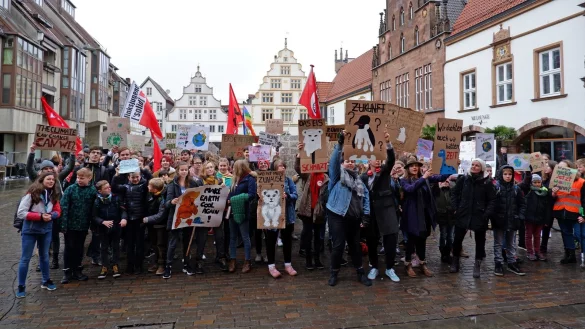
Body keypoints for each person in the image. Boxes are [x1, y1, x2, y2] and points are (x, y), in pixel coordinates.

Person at [327, 131, 372, 287]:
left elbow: (366, 198)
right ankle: (334, 273)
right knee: (338, 245)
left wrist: (366, 216)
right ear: (342, 163)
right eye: (346, 161)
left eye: (352, 161)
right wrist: (340, 143)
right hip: (337, 215)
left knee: (355, 246)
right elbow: (333, 162)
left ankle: (360, 273)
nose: (350, 163)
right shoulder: (336, 177)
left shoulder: (359, 180)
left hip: (354, 217)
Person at [400, 156, 455, 278]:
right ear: (407, 168)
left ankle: (422, 263)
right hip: (411, 216)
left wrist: (451, 166)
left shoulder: (424, 178)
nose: (415, 167)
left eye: (417, 166)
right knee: (411, 241)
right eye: (412, 166)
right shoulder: (404, 180)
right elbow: (410, 189)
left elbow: (441, 177)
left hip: (424, 215)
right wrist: (424, 178)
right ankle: (408, 264)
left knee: (422, 240)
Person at [359, 133, 400, 283]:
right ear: (369, 161)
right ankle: (374, 266)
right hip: (371, 214)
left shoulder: (384, 172)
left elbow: (391, 160)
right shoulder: (363, 177)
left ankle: (389, 268)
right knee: (371, 241)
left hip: (387, 210)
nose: (377, 162)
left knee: (390, 239)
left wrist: (388, 143)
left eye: (379, 158)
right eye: (374, 159)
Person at [15, 172, 62, 298]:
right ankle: (21, 286)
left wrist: (52, 215)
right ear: (41, 180)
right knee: (26, 258)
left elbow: (57, 210)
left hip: (46, 229)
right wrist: (40, 216)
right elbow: (21, 213)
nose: (51, 181)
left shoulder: (53, 195)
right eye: (48, 179)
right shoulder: (32, 194)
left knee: (44, 256)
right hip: (30, 229)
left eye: (53, 179)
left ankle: (46, 280)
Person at [450, 159, 497, 278]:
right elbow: (454, 193)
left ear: (481, 168)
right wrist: (456, 208)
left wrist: (486, 213)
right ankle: (455, 261)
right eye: (473, 165)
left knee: (480, 241)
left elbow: (492, 200)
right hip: (463, 213)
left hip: (479, 215)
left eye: (477, 165)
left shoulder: (487, 182)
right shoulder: (464, 179)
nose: (474, 167)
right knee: (457, 239)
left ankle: (477, 264)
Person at [163, 162, 203, 279]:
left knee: (188, 241)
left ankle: (186, 263)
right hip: (176, 217)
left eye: (186, 170)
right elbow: (166, 203)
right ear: (177, 171)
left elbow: (199, 198)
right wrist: (172, 202)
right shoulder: (172, 184)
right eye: (182, 170)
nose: (184, 172)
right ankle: (168, 266)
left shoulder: (193, 183)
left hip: (189, 217)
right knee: (173, 242)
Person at [60, 168, 97, 284]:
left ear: (89, 178)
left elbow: (94, 209)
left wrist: (92, 224)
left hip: (83, 225)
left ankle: (77, 270)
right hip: (70, 225)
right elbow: (64, 207)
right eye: (78, 177)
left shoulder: (92, 191)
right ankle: (67, 271)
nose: (79, 180)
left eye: (82, 178)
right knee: (69, 248)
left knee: (79, 248)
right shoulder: (71, 189)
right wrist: (63, 224)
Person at [295, 147, 329, 270]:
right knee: (308, 236)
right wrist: (299, 156)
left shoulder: (325, 177)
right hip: (307, 211)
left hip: (319, 212)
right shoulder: (308, 174)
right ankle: (309, 260)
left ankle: (317, 260)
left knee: (318, 237)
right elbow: (298, 169)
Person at [264, 159, 298, 278]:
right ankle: (271, 266)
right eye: (279, 166)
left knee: (287, 240)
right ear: (274, 169)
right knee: (271, 240)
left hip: (287, 215)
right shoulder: (267, 181)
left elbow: (295, 195)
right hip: (272, 216)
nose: (282, 168)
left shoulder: (288, 180)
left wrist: (287, 196)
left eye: (283, 166)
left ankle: (288, 264)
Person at [491, 164, 527, 276]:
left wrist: (520, 216)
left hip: (512, 219)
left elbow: (522, 204)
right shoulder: (496, 188)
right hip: (499, 220)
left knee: (511, 243)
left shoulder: (516, 188)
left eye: (510, 174)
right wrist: (494, 216)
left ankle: (512, 262)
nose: (507, 176)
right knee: (498, 242)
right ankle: (498, 263)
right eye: (505, 174)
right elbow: (491, 203)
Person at [112, 170, 150, 274]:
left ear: (140, 176)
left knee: (140, 244)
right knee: (129, 244)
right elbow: (114, 187)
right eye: (133, 177)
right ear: (129, 178)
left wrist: (143, 169)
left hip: (140, 219)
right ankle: (130, 265)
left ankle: (139, 265)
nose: (135, 179)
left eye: (137, 177)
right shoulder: (125, 187)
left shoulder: (143, 186)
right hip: (129, 219)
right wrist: (116, 175)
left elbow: (150, 179)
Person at [551, 160, 585, 266]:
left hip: (576, 212)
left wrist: (583, 215)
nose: (562, 170)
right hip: (560, 211)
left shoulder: (581, 182)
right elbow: (552, 198)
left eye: (564, 168)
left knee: (580, 235)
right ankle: (570, 255)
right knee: (566, 233)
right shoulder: (556, 181)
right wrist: (553, 193)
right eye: (559, 168)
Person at [93, 180, 127, 279]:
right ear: (100, 191)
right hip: (103, 228)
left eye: (109, 187)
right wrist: (102, 222)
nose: (109, 189)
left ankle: (115, 264)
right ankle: (105, 265)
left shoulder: (116, 198)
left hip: (116, 225)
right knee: (104, 247)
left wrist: (124, 218)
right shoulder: (97, 201)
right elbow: (94, 216)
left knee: (115, 246)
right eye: (106, 188)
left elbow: (123, 210)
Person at [227, 160, 257, 273]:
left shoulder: (250, 179)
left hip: (243, 211)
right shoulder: (234, 179)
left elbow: (251, 195)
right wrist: (228, 200)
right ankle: (233, 259)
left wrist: (235, 199)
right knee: (233, 237)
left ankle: (247, 260)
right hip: (232, 212)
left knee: (245, 236)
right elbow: (230, 194)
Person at [198, 161, 228, 272]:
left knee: (219, 236)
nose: (210, 169)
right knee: (202, 237)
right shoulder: (200, 182)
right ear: (204, 170)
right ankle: (199, 259)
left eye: (211, 167)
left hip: (216, 213)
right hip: (204, 213)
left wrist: (224, 189)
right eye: (208, 168)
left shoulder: (219, 181)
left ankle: (220, 257)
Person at [142, 178, 168, 275]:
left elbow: (161, 215)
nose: (147, 187)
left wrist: (147, 219)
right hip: (151, 225)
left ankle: (162, 264)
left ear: (155, 189)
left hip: (160, 225)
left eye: (150, 186)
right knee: (154, 244)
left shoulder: (162, 198)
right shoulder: (150, 195)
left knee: (160, 245)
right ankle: (156, 262)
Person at [524, 174, 551, 261]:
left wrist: (546, 219)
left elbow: (547, 207)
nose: (537, 184)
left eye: (539, 182)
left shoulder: (545, 192)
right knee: (528, 235)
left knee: (537, 236)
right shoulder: (529, 191)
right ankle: (529, 252)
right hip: (529, 217)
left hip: (540, 218)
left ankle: (537, 251)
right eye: (535, 182)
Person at [253, 159, 270, 263]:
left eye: (265, 163)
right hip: (258, 207)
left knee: (269, 233)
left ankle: (269, 254)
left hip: (269, 208)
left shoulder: (273, 176)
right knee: (257, 233)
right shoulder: (254, 177)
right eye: (261, 163)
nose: (263, 165)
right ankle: (258, 253)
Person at [434, 180, 456, 264]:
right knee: (443, 235)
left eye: (447, 181)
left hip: (451, 217)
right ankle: (443, 253)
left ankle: (448, 252)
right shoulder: (437, 191)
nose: (445, 183)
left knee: (450, 236)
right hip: (442, 217)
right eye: (443, 181)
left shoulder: (452, 191)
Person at [539, 160, 557, 256]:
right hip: (541, 206)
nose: (545, 167)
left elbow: (554, 195)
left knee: (546, 227)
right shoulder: (543, 178)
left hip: (549, 207)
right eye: (545, 166)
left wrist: (553, 194)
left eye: (548, 166)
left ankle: (543, 247)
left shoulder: (554, 180)